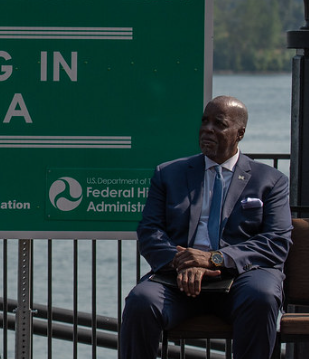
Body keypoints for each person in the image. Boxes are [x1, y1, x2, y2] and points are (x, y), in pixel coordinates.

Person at [119, 96, 292, 359]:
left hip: (242, 278)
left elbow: (275, 241)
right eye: (204, 121)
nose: (207, 129)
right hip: (179, 278)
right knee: (141, 301)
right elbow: (149, 233)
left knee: (262, 297)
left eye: (219, 124)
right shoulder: (168, 174)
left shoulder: (271, 180)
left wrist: (215, 259)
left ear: (239, 133)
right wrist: (183, 262)